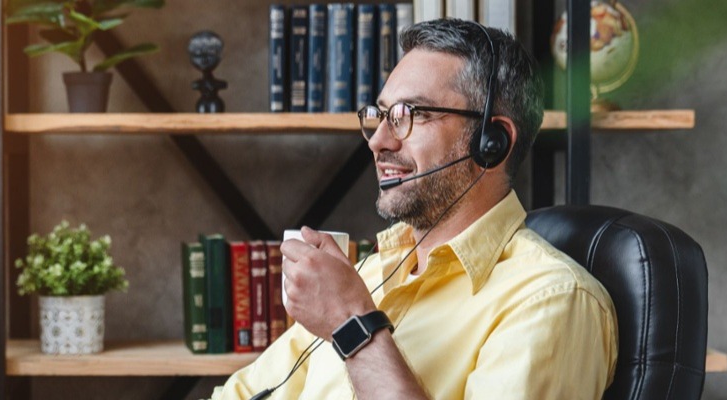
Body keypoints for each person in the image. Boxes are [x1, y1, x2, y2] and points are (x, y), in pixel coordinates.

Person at [210, 19, 618, 399]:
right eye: (383, 115)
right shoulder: (370, 274)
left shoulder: (552, 301)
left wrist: (352, 322)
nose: (379, 142)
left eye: (413, 114)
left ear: (492, 141)